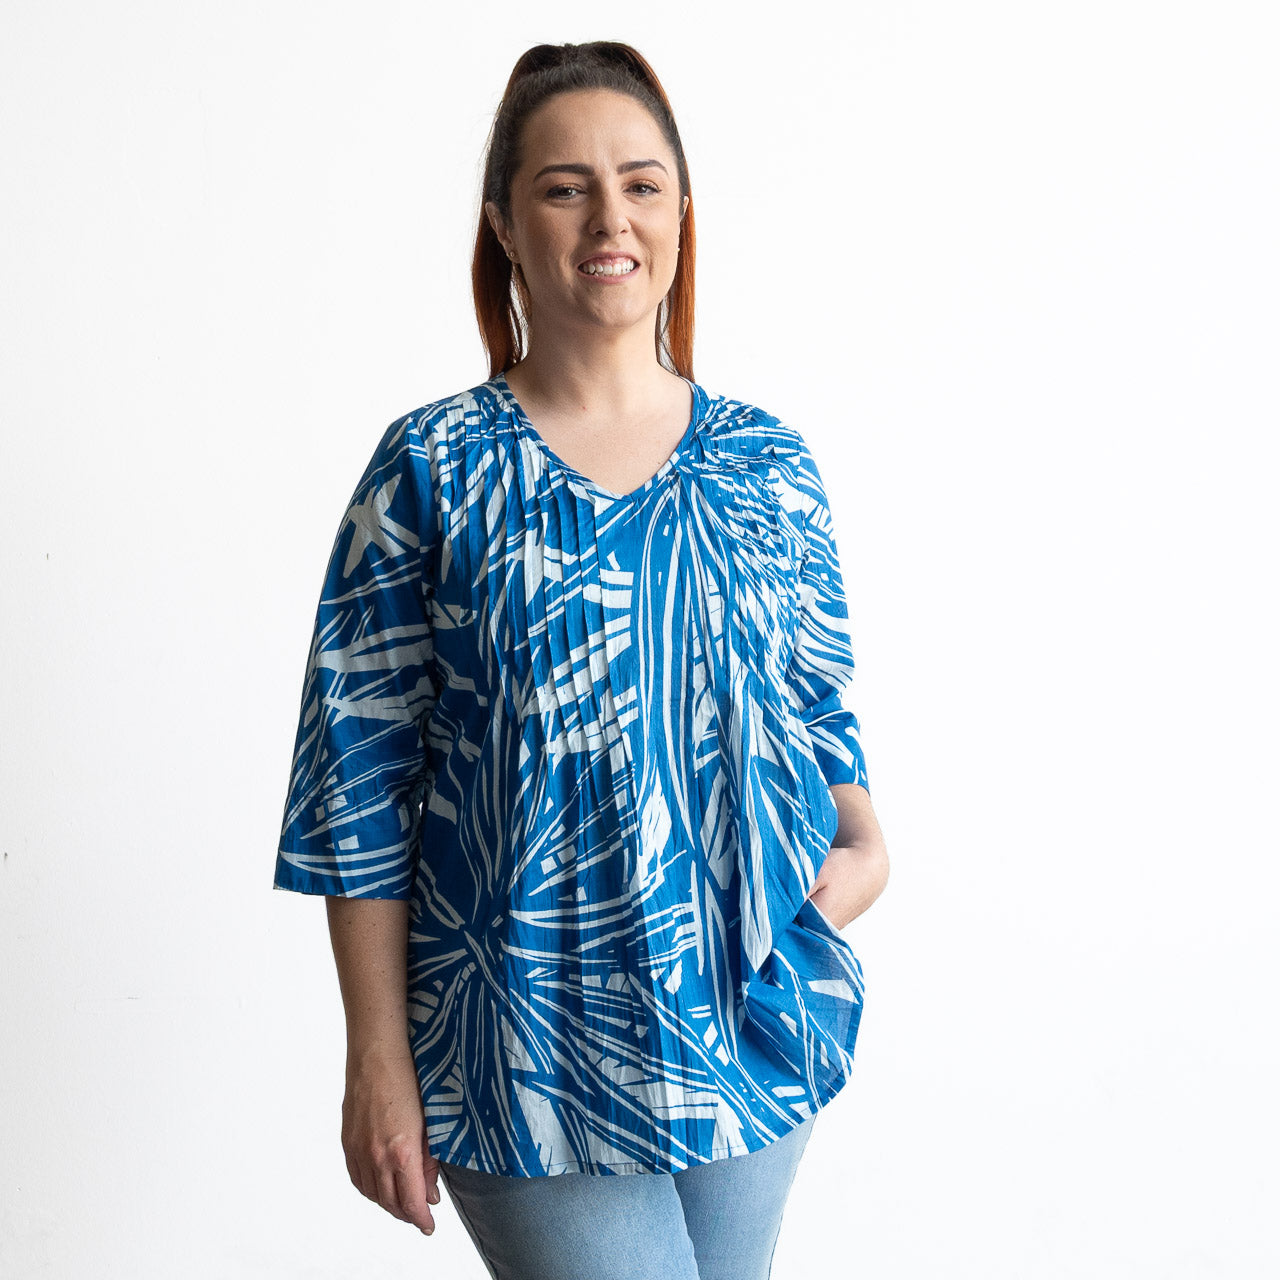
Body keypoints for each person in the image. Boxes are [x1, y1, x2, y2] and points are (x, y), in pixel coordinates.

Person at [274, 40, 890, 1280]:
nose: (610, 216)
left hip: (751, 1021)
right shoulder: (432, 468)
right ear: (505, 221)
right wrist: (376, 1059)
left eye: (642, 182)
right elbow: (356, 788)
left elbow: (813, 710)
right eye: (564, 187)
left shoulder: (767, 463)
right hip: (526, 1048)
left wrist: (860, 843)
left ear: (678, 211)